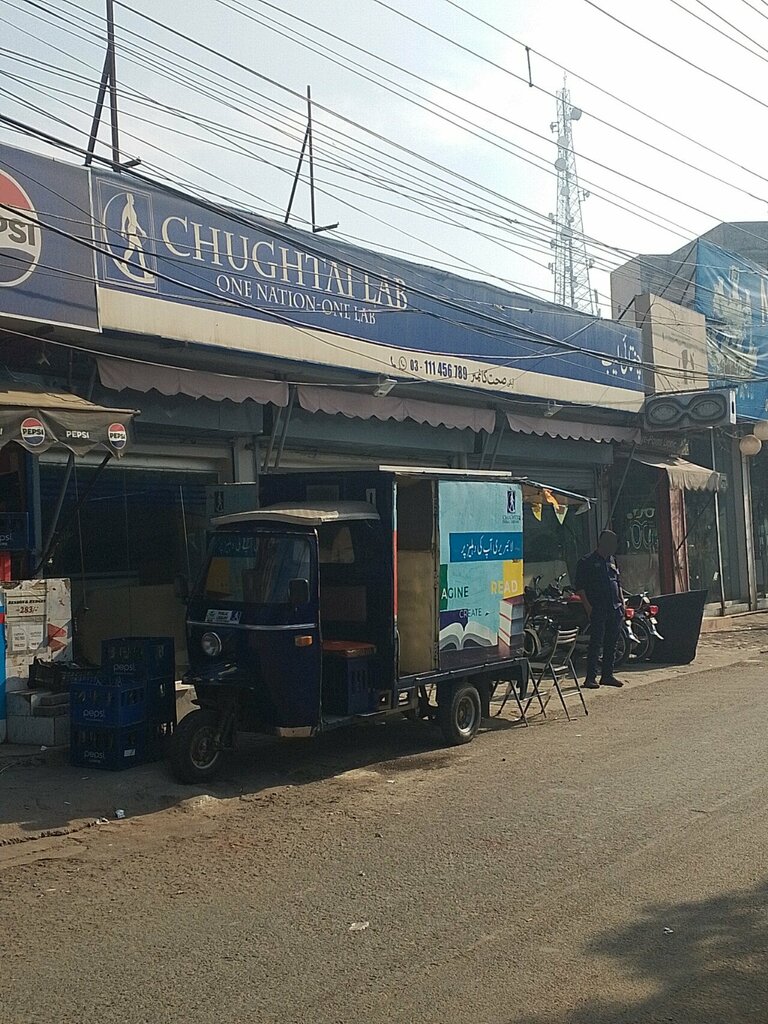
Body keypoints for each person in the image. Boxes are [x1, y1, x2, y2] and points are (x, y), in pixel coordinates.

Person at [574, 529, 625, 690]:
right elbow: (580, 588)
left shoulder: (612, 560)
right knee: (596, 643)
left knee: (612, 643)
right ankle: (590, 677)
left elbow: (617, 581)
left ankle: (607, 675)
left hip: (614, 607)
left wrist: (622, 603)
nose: (613, 546)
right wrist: (588, 607)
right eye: (611, 542)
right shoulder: (587, 561)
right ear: (602, 542)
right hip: (597, 608)